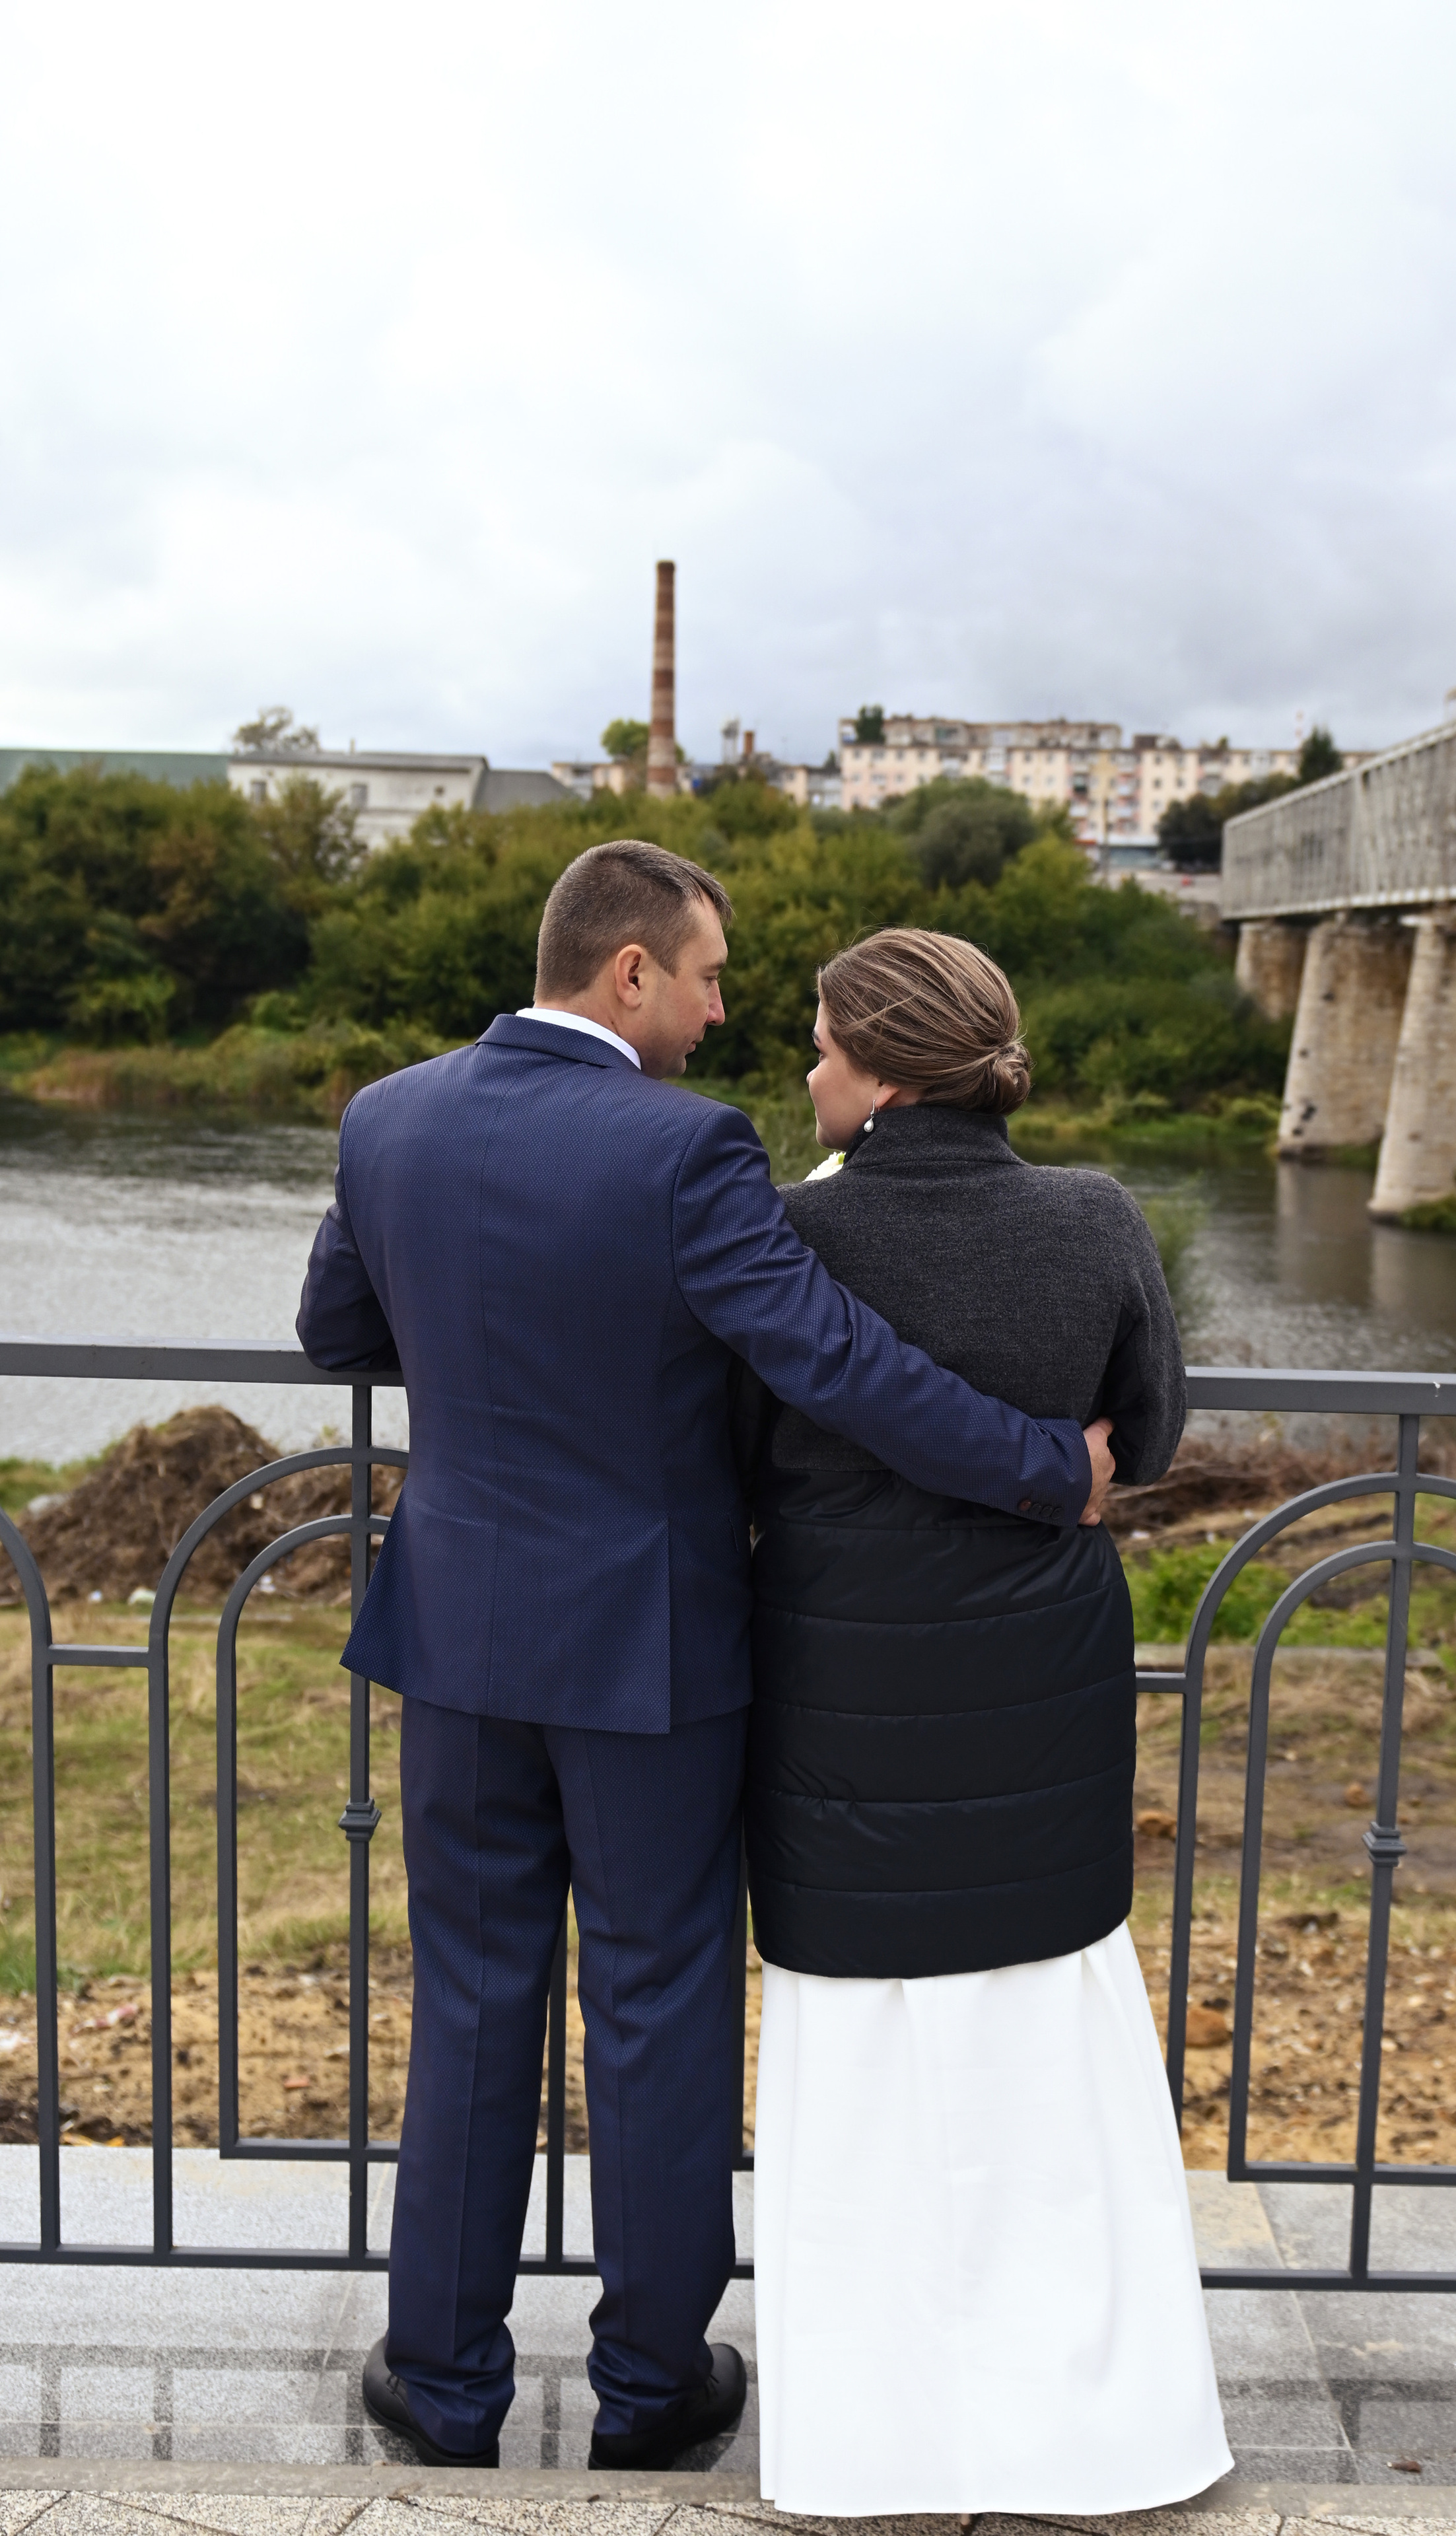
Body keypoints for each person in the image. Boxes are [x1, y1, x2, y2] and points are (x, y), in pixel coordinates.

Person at [295, 843, 1116, 2473]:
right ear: (627, 975)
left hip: (457, 1633)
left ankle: (443, 2385)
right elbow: (834, 1365)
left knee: (468, 1999)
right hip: (650, 1654)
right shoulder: (688, 1151)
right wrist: (1046, 1468)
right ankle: (650, 2386)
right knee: (658, 2002)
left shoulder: (388, 1117)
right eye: (709, 975)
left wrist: (486, 1345)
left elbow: (338, 1331)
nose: (723, 1007)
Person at [739, 927, 1231, 2516]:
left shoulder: (787, 1233)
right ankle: (1096, 2425)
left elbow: (734, 1444)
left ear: (877, 1066)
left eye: (818, 1043)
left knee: (861, 2052)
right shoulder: (1090, 1217)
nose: (805, 1070)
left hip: (842, 1676)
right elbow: (1144, 1429)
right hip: (1036, 1673)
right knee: (1044, 2043)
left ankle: (864, 2439)